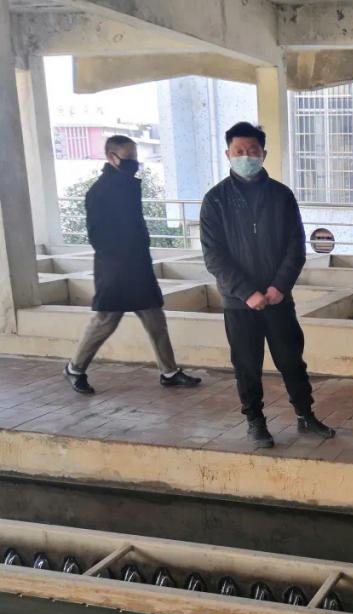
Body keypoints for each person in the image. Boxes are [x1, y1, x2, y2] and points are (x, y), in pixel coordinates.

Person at [200, 122, 335, 449]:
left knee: (292, 360)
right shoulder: (215, 200)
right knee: (246, 365)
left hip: (278, 299)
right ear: (228, 154)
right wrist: (246, 292)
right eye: (239, 151)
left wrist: (279, 287)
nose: (246, 156)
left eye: (253, 151)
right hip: (239, 304)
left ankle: (305, 415)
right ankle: (255, 422)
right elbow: (214, 256)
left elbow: (295, 246)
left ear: (264, 154)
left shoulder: (281, 195)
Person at [63, 135, 200, 395]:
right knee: (106, 320)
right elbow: (97, 235)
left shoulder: (127, 185)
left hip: (138, 266)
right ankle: (75, 368)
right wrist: (122, 256)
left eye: (136, 157)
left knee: (155, 319)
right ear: (111, 157)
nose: (134, 162)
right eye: (129, 157)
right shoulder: (100, 191)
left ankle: (169, 372)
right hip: (115, 268)